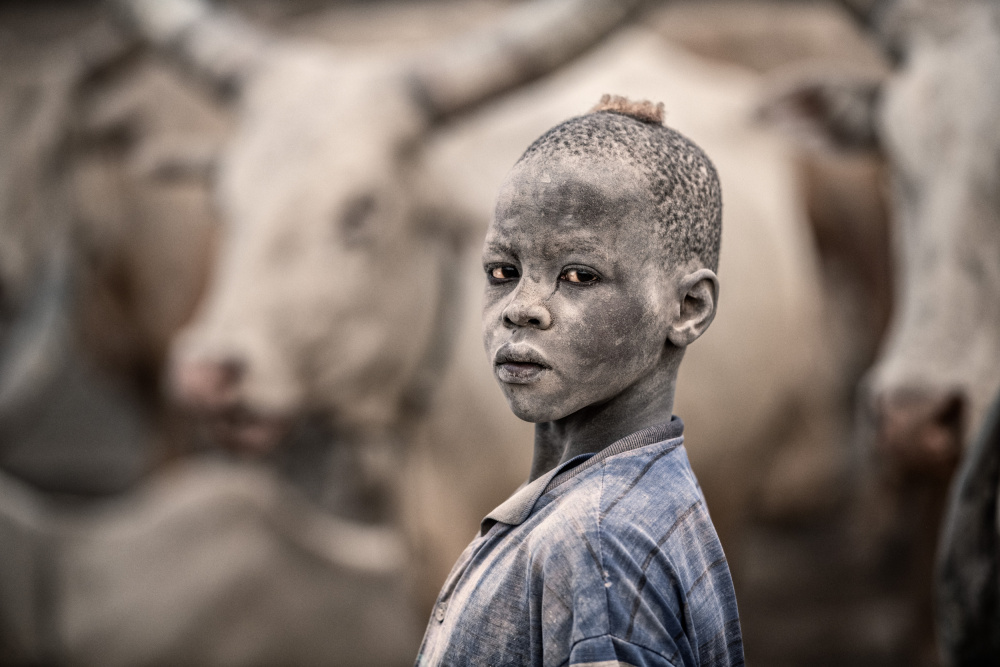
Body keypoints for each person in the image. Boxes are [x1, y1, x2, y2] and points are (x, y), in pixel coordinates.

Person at [415, 95, 744, 667]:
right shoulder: (613, 507)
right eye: (503, 272)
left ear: (687, 307)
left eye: (578, 275)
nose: (522, 308)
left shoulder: (598, 546)